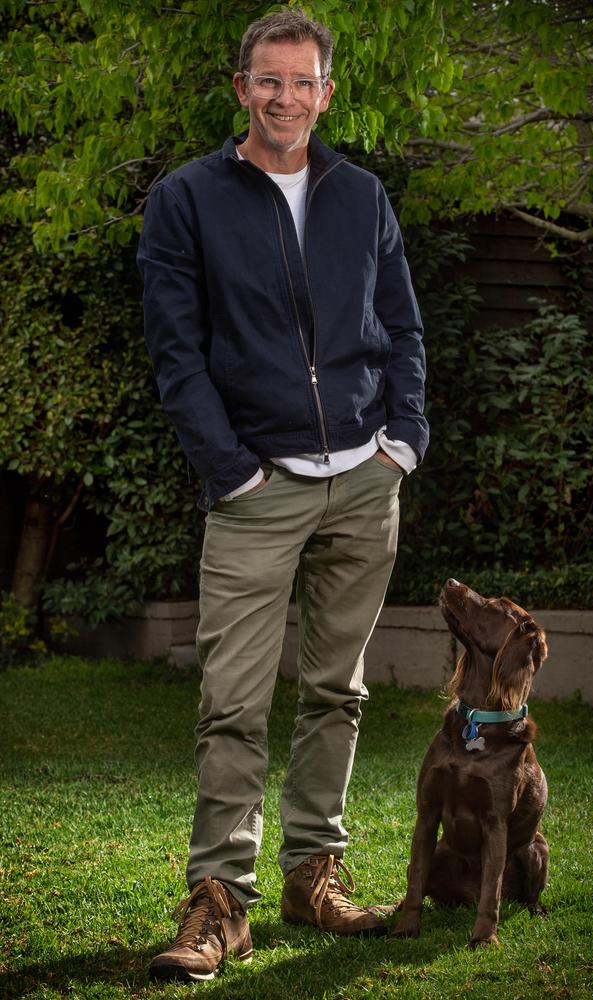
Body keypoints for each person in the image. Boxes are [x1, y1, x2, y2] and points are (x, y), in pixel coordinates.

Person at [137, 6, 428, 984]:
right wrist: (230, 468)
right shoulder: (186, 200)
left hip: (361, 480)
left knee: (336, 691)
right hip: (256, 487)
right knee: (232, 701)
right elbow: (176, 353)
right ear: (240, 88)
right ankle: (219, 904)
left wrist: (402, 441)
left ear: (326, 93)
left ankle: (314, 873)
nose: (286, 98)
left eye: (304, 82)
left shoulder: (360, 196)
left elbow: (402, 325)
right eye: (269, 79)